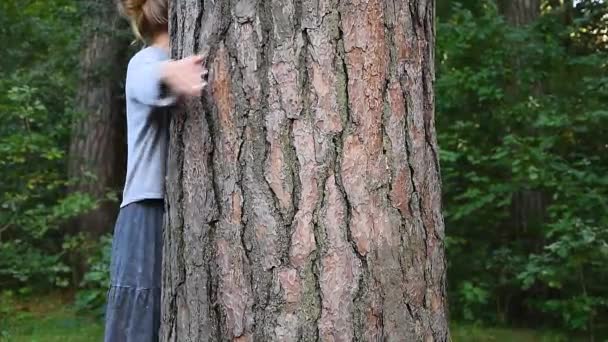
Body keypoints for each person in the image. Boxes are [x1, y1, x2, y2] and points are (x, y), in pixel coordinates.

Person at [104, 0, 207, 341]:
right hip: (145, 213)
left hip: (169, 211)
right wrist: (170, 73)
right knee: (139, 320)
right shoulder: (146, 60)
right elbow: (148, 80)